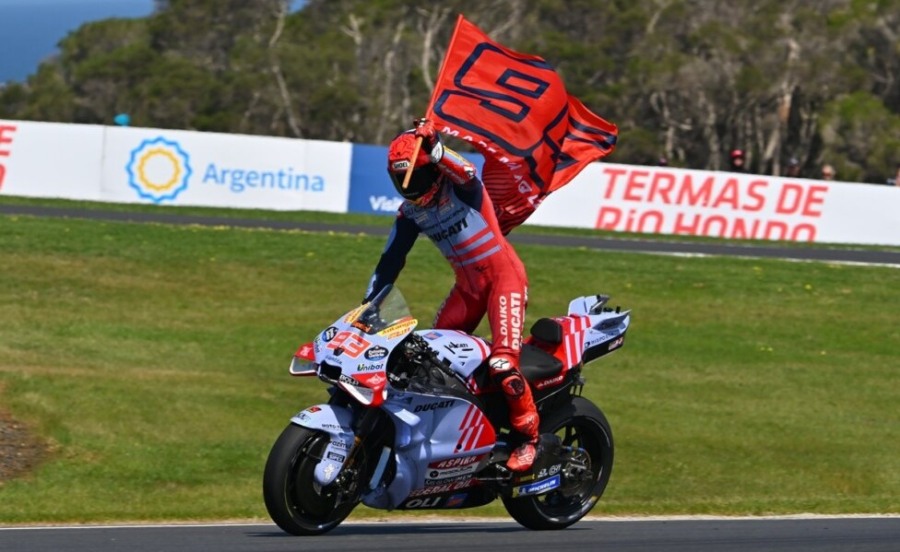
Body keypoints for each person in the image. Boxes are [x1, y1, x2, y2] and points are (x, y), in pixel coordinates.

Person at [364, 119, 539, 472]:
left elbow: (469, 172)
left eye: (417, 176)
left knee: (503, 363)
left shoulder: (460, 188)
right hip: (468, 287)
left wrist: (436, 147)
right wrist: (369, 306)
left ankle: (529, 439)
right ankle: (459, 433)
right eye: (401, 180)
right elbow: (390, 262)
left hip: (503, 278)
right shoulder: (410, 212)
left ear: (435, 168)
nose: (410, 186)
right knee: (428, 362)